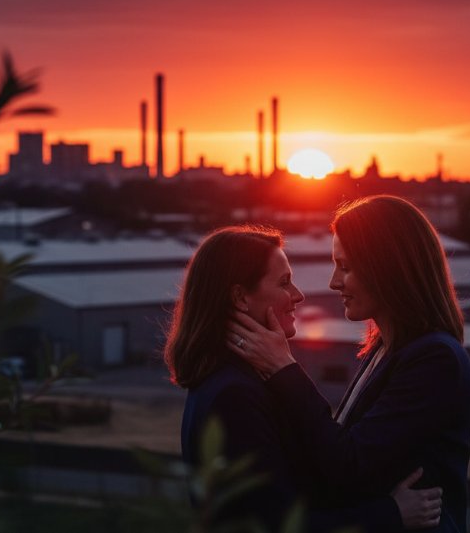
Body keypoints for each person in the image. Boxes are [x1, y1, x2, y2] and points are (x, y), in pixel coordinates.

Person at [164, 224, 443, 532]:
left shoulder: (241, 380)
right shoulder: (234, 395)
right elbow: (275, 525)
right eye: (285, 283)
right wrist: (391, 515)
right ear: (241, 298)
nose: (298, 295)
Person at [227, 196, 470, 533]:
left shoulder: (435, 359)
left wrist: (284, 369)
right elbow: (335, 459)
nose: (334, 282)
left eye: (346, 267)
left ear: (387, 267)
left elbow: (349, 463)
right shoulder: (385, 349)